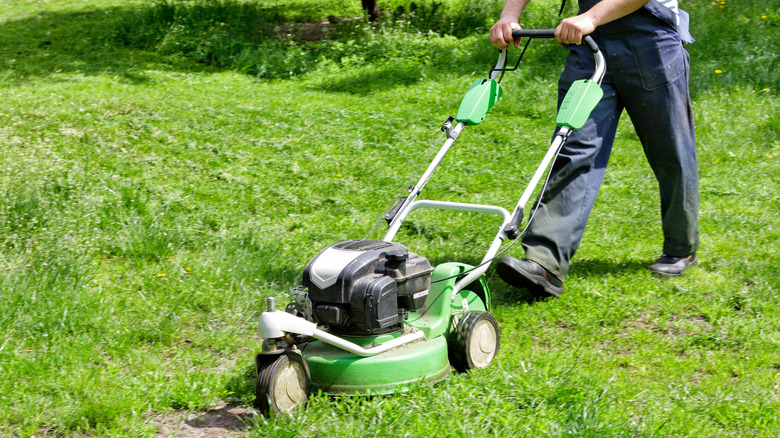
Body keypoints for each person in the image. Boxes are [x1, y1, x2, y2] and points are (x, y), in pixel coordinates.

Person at [489, 0, 699, 297]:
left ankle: (681, 246)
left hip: (651, 44)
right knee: (572, 149)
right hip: (589, 44)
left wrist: (591, 17)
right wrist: (510, 15)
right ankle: (545, 261)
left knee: (670, 151)